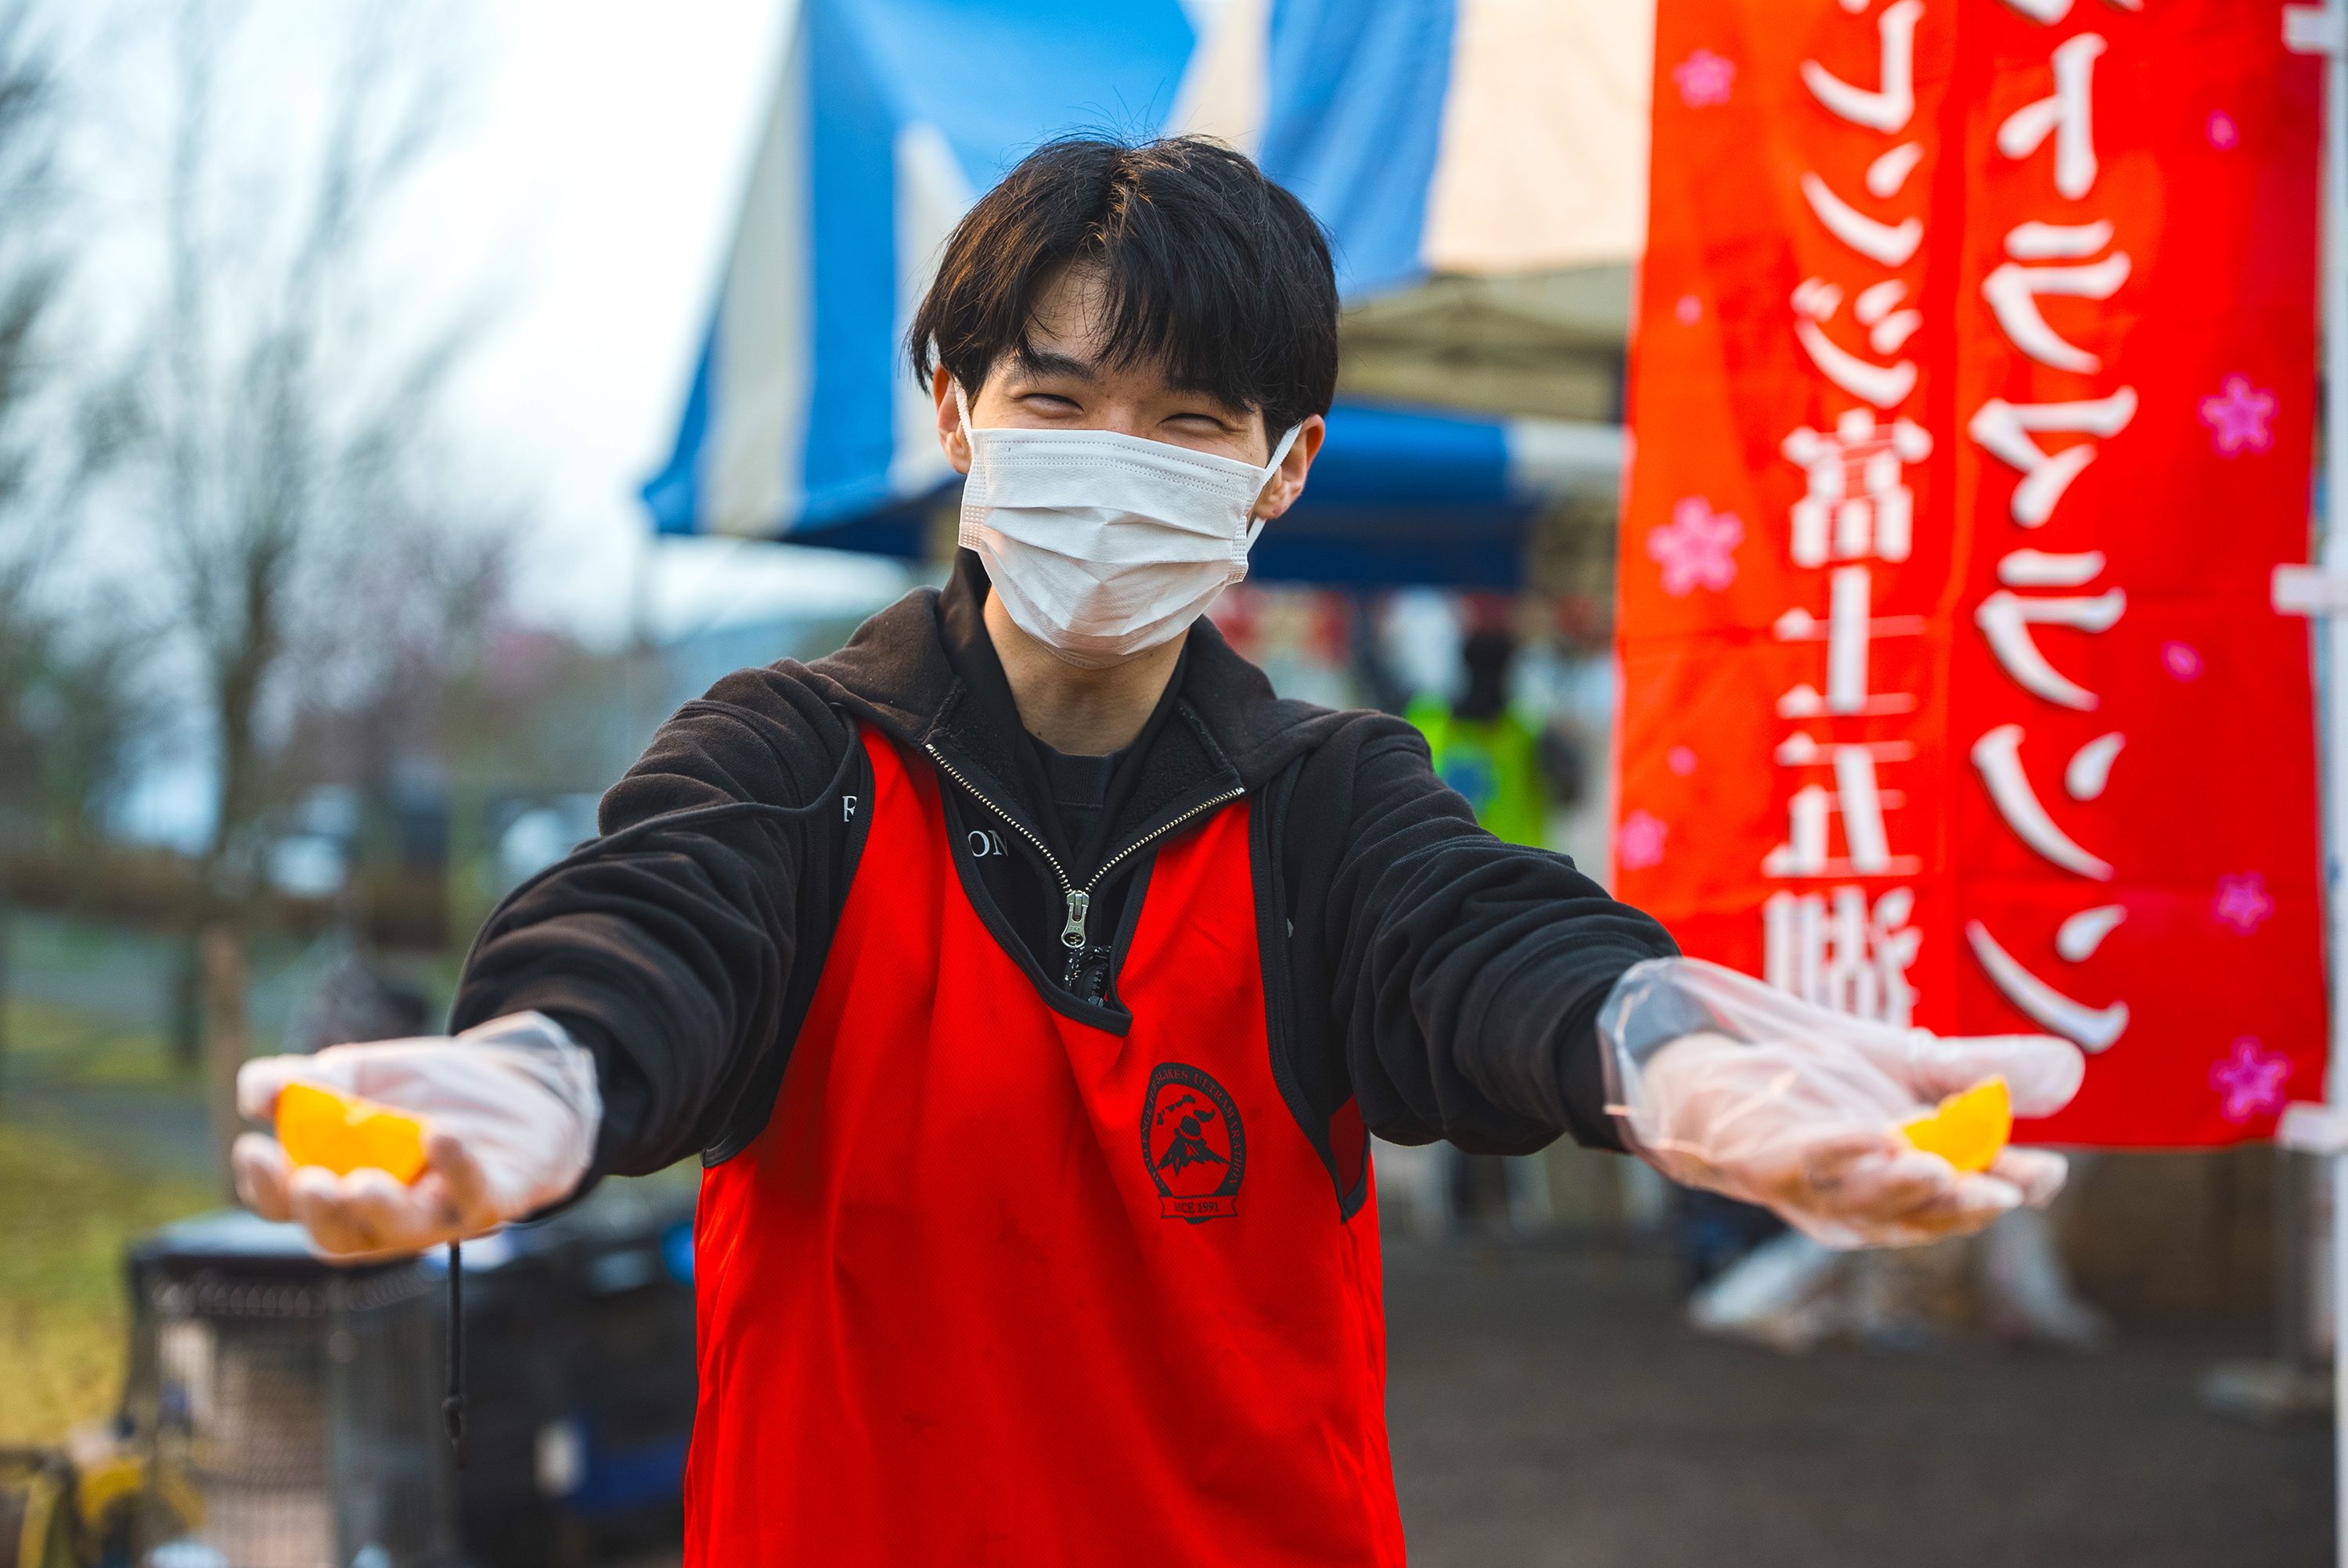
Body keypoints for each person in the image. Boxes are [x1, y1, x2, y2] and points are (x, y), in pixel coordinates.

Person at [231, 137, 2077, 1565]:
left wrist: (1662, 1048)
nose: (1115, 459)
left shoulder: (1330, 808)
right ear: (957, 411)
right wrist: (544, 1072)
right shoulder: (794, 762)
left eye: (1190, 420)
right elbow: (654, 929)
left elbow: (1493, 942)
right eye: (1055, 402)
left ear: (1282, 468)